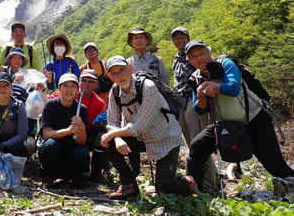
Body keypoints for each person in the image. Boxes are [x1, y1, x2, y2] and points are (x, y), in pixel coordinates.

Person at [185, 40, 294, 191]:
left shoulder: (226, 64)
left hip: (254, 119)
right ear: (189, 61)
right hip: (225, 123)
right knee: (198, 146)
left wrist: (216, 86)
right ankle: (193, 188)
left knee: (274, 164)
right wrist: (201, 97)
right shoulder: (195, 78)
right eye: (193, 56)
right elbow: (199, 110)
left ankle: (290, 183)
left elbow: (234, 88)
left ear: (209, 52)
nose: (199, 58)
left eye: (202, 53)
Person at [100, 55, 197, 199]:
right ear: (110, 76)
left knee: (163, 188)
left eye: (122, 69)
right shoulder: (115, 91)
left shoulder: (148, 87)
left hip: (164, 137)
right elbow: (112, 121)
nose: (119, 75)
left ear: (130, 68)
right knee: (106, 142)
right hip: (140, 138)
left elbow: (138, 126)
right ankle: (129, 185)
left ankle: (187, 183)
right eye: (114, 73)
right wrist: (117, 138)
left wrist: (113, 134)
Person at [171, 27, 218, 192]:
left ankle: (210, 184)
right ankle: (201, 179)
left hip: (195, 100)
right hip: (180, 103)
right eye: (176, 38)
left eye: (182, 37)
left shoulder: (196, 56)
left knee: (199, 142)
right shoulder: (176, 60)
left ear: (188, 38)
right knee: (191, 143)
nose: (179, 40)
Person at [39, 73, 89, 185]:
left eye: (73, 86)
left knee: (81, 151)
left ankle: (74, 176)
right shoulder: (50, 106)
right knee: (50, 146)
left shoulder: (82, 109)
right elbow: (46, 134)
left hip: (72, 147)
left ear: (77, 89)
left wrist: (81, 128)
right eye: (65, 85)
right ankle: (51, 175)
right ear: (59, 88)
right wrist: (68, 131)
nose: (69, 90)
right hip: (55, 146)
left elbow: (82, 141)